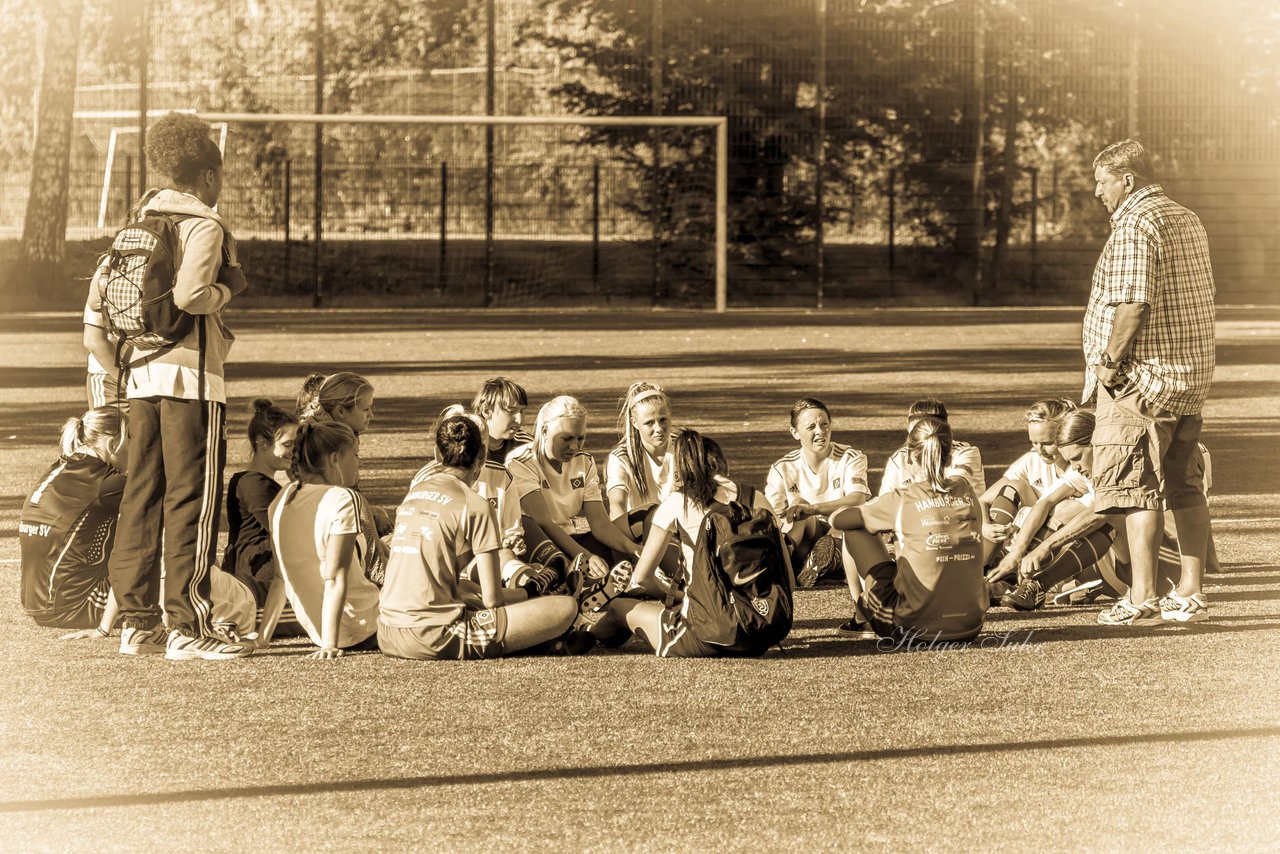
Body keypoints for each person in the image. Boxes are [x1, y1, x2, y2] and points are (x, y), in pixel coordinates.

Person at [98, 111, 251, 661]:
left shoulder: (132, 226)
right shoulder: (204, 224)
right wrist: (226, 292)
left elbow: (95, 311)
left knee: (143, 495)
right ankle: (188, 626)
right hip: (191, 379)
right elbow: (189, 297)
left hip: (141, 378)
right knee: (193, 499)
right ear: (207, 177)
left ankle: (138, 624)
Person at [1085, 139, 1216, 625]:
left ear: (1127, 179)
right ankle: (1191, 593)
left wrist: (1107, 363)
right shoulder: (1187, 217)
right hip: (1190, 377)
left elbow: (1133, 304)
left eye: (1101, 181)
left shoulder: (1135, 224)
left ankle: (1142, 597)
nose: (1097, 192)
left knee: (1136, 484)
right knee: (1184, 484)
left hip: (1143, 380)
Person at [378, 415, 578, 660]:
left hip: (386, 632)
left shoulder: (415, 494)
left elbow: (453, 584)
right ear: (482, 456)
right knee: (565, 607)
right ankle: (553, 634)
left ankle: (549, 640)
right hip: (432, 636)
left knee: (478, 602)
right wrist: (530, 592)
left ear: (438, 454)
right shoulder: (475, 505)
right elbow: (494, 600)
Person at [592, 428, 786, 657]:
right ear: (722, 464)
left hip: (707, 634)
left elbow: (643, 578)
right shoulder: (756, 498)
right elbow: (787, 579)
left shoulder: (678, 502)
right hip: (764, 630)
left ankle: (584, 634)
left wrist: (676, 596)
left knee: (619, 607)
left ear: (682, 469)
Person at [829, 417, 987, 642]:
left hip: (914, 629)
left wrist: (841, 512)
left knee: (856, 528)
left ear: (911, 457)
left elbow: (840, 520)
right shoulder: (967, 490)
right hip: (971, 626)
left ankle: (862, 616)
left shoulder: (905, 497)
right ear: (950, 455)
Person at [409, 406, 560, 598]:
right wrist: (526, 593)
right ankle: (540, 588)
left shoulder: (500, 476)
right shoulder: (429, 484)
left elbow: (511, 530)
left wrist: (512, 541)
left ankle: (538, 581)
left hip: (408, 604)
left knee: (505, 558)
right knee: (500, 569)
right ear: (481, 453)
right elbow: (492, 600)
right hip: (452, 576)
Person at [261, 421, 380, 658]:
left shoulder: (281, 499)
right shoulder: (343, 498)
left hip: (319, 633)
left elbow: (279, 578)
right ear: (335, 458)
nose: (359, 463)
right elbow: (335, 575)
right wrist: (330, 645)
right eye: (355, 455)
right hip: (367, 627)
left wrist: (261, 638)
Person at [507, 395, 641, 577]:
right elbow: (544, 522)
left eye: (580, 438)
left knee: (640, 525)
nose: (575, 446)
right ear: (545, 431)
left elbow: (600, 523)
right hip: (539, 544)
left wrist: (633, 549)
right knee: (567, 564)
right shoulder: (521, 462)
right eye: (567, 438)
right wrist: (586, 556)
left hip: (572, 541)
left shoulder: (584, 462)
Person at [20, 408, 127, 630]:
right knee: (151, 527)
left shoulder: (60, 468)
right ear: (113, 444)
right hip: (77, 605)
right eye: (133, 438)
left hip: (40, 605)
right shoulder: (104, 483)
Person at [765, 398, 871, 590]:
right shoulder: (782, 467)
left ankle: (820, 562)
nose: (820, 432)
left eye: (824, 424)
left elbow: (858, 498)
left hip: (838, 531)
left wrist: (813, 508)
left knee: (844, 518)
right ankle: (784, 559)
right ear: (795, 433)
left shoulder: (851, 457)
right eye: (811, 427)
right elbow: (773, 516)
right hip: (803, 536)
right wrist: (800, 512)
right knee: (800, 515)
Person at [296, 371, 389, 584]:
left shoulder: (320, 431)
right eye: (365, 409)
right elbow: (378, 572)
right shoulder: (324, 441)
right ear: (340, 411)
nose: (371, 415)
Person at [980, 398, 1077, 561]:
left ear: (1066, 434)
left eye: (1047, 443)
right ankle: (983, 570)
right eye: (1034, 442)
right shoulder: (1031, 460)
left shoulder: (1081, 467)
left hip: (1065, 541)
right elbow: (982, 500)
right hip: (1029, 536)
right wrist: (985, 526)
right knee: (1014, 486)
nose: (1040, 450)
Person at [223, 399, 297, 608]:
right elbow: (284, 531)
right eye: (287, 444)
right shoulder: (253, 484)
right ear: (263, 443)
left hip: (261, 564)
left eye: (296, 445)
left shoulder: (260, 481)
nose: (294, 451)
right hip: (256, 570)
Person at [879, 398, 986, 496]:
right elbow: (883, 504)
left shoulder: (965, 453)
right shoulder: (899, 459)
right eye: (918, 433)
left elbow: (952, 495)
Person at [605, 382, 675, 530]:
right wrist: (626, 546)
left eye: (663, 419)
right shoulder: (621, 457)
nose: (659, 429)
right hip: (642, 533)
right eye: (649, 423)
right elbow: (617, 505)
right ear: (634, 423)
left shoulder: (686, 447)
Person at [472, 377, 535, 464]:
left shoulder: (526, 445)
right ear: (487, 411)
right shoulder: (466, 446)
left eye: (522, 411)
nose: (519, 420)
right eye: (511, 411)